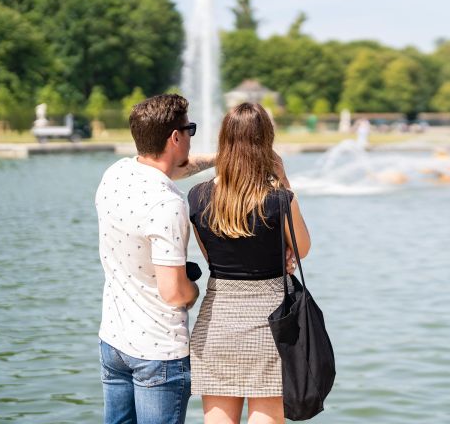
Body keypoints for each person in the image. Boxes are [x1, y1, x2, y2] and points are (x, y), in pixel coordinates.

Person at [187, 103, 311, 424]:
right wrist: (283, 180)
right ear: (267, 142)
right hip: (271, 324)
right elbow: (303, 248)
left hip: (216, 325)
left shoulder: (197, 196)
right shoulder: (279, 199)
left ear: (223, 140)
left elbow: (210, 256)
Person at [96, 94, 216, 424]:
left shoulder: (116, 173)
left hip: (114, 342)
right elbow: (173, 292)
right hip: (158, 352)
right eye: (189, 130)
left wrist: (222, 157)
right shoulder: (167, 203)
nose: (191, 137)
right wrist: (195, 288)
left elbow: (172, 169)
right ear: (175, 137)